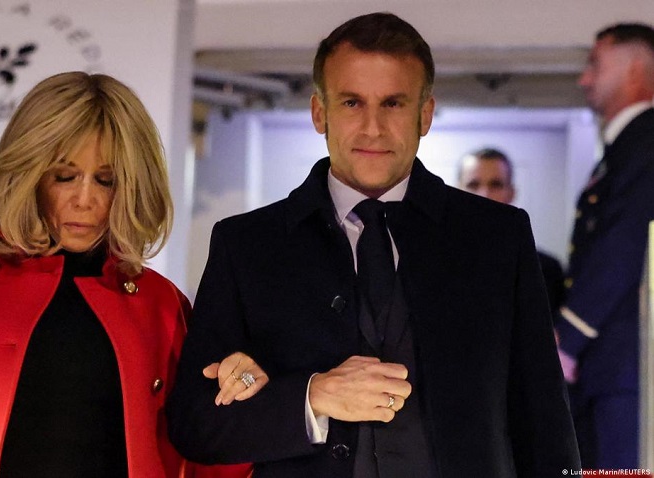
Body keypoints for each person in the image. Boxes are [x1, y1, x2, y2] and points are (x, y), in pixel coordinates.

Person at [167, 12, 579, 477]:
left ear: (425, 114)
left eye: (393, 103)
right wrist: (311, 396)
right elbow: (194, 424)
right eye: (351, 103)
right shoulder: (247, 244)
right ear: (319, 112)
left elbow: (545, 425)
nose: (373, 128)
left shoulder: (497, 237)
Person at [0, 72, 253, 478]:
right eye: (64, 176)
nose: (85, 199)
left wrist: (244, 390)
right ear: (28, 172)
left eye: (106, 181)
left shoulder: (161, 305)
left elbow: (206, 457)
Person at [556, 22, 654, 469]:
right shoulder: (625, 147)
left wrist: (569, 336)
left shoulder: (645, 142)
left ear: (634, 70)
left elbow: (624, 243)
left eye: (595, 64)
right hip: (610, 365)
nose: (584, 78)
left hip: (625, 364)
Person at [458, 147, 565, 319]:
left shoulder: (546, 270)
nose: (484, 195)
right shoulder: (435, 264)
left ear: (511, 193)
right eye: (473, 185)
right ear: (456, 191)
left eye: (495, 185)